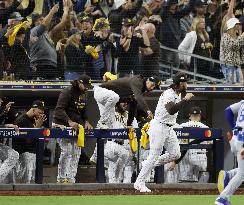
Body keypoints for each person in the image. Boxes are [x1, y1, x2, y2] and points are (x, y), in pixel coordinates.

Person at [134, 72, 194, 192]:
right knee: (154, 155)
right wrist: (186, 100)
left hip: (168, 127)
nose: (186, 84)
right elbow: (171, 110)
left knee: (176, 154)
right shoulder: (169, 93)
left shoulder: (177, 93)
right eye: (185, 82)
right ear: (179, 83)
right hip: (159, 126)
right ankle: (139, 183)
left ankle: (149, 163)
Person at [52, 74, 93, 183]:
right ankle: (61, 178)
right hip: (62, 124)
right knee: (67, 150)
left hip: (77, 125)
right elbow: (59, 110)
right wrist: (69, 121)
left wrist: (87, 121)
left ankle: (70, 178)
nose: (87, 87)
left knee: (76, 152)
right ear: (79, 83)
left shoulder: (84, 94)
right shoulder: (67, 92)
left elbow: (83, 111)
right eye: (85, 85)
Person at [93, 75, 159, 129]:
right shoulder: (138, 81)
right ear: (148, 80)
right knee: (114, 97)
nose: (152, 88)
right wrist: (147, 110)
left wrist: (129, 125)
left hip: (108, 99)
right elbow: (139, 97)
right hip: (101, 91)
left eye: (155, 87)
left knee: (110, 127)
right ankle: (102, 122)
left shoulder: (139, 90)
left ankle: (100, 125)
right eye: (152, 85)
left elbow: (133, 107)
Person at [215, 100, 244, 205]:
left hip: (237, 137)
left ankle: (229, 174)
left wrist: (234, 128)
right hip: (243, 140)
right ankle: (222, 198)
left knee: (242, 171)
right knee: (242, 174)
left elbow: (228, 111)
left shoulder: (242, 102)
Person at [14, 100, 47, 183]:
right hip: (22, 154)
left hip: (31, 153)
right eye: (39, 112)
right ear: (33, 109)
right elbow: (28, 140)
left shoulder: (34, 119)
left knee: (32, 179)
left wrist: (39, 127)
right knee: (27, 181)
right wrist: (37, 128)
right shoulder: (22, 120)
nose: (41, 115)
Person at [177, 106, 210, 183]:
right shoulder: (205, 127)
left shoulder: (182, 126)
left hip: (187, 156)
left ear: (189, 115)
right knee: (202, 184)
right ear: (200, 116)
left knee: (186, 183)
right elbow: (210, 143)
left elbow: (178, 144)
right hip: (201, 156)